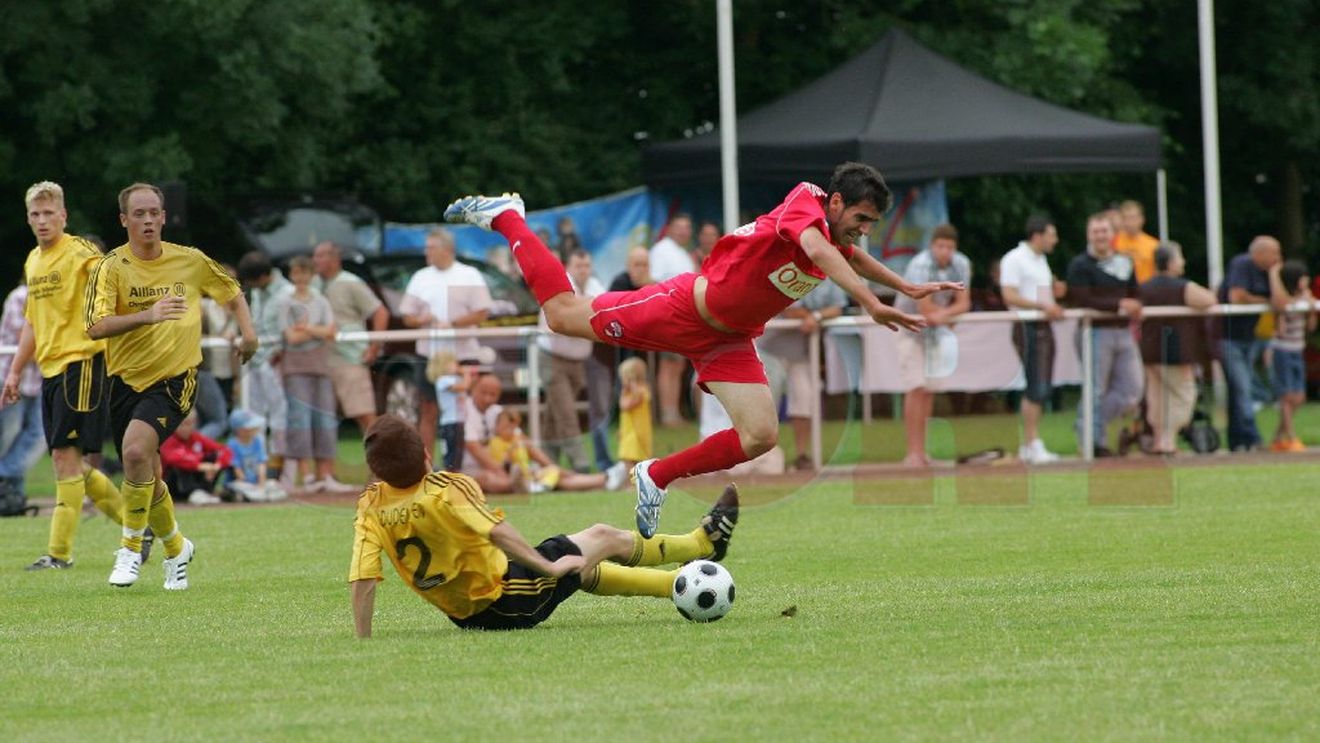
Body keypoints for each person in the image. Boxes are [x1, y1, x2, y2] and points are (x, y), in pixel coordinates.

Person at [445, 162, 958, 537]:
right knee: (560, 315)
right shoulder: (806, 201)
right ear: (837, 201)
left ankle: (656, 474)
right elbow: (823, 250)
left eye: (872, 225)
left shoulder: (835, 236)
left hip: (729, 340)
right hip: (683, 310)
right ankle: (509, 216)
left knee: (760, 436)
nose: (864, 232)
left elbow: (851, 257)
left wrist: (904, 289)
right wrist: (871, 303)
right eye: (862, 219)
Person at [349, 415, 739, 636]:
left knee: (580, 567)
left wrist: (363, 641)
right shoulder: (447, 488)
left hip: (465, 610)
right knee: (601, 537)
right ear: (425, 452)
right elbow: (496, 531)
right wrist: (548, 565)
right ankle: (703, 544)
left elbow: (363, 580)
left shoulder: (370, 503)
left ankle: (675, 582)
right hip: (507, 597)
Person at [86, 181, 258, 589]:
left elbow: (231, 293)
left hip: (175, 378)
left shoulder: (190, 260)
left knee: (133, 451)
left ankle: (130, 547)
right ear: (124, 220)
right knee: (148, 470)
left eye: (153, 213)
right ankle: (177, 547)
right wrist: (149, 314)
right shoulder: (110, 267)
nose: (147, 220)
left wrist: (248, 334)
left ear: (164, 217)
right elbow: (95, 326)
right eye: (138, 214)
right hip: (125, 380)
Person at [3, 181, 126, 571]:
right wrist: (16, 370)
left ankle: (59, 554)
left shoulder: (81, 253)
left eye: (48, 213)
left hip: (83, 363)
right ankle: (137, 529)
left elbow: (114, 280)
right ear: (28, 218)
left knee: (63, 457)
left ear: (63, 216)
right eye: (35, 215)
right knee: (72, 464)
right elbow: (31, 325)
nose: (42, 221)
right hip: (50, 370)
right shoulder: (33, 262)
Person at [400, 227, 493, 457]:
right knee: (428, 409)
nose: (426, 252)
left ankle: (463, 464)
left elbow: (482, 312)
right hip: (429, 355)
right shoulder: (420, 277)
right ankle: (425, 467)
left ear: (448, 249)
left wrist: (452, 324)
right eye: (426, 247)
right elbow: (407, 316)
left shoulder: (469, 274)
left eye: (431, 247)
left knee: (465, 409)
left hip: (463, 354)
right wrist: (422, 319)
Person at [1065, 212, 1144, 457]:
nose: (1100, 236)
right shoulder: (1080, 265)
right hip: (1096, 331)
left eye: (1104, 231)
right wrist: (1120, 304)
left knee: (1132, 391)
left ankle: (1087, 424)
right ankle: (1093, 440)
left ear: (1113, 234)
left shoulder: (1125, 262)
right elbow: (1082, 297)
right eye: (1095, 231)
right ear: (1088, 235)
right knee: (1095, 388)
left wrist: (1134, 304)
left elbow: (1136, 292)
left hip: (1123, 331)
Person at [894, 224, 972, 467]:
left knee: (928, 391)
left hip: (935, 331)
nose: (945, 251)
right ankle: (912, 452)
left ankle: (922, 452)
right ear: (932, 246)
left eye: (950, 247)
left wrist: (943, 316)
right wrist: (946, 316)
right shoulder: (920, 265)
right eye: (941, 246)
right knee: (915, 387)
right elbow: (923, 308)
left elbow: (963, 303)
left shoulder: (961, 264)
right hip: (910, 328)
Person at [756, 275, 848, 471]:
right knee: (764, 404)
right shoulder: (789, 270)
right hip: (771, 349)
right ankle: (760, 456)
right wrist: (812, 316)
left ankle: (801, 454)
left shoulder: (829, 275)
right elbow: (791, 311)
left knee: (805, 399)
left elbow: (838, 307)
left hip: (802, 352)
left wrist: (816, 317)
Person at [275, 256, 350, 493]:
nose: (301, 278)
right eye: (297, 273)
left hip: (321, 366)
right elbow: (291, 337)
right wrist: (315, 331)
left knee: (326, 419)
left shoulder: (320, 300)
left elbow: (330, 331)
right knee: (300, 419)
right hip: (295, 367)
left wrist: (306, 327)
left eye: (305, 273)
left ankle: (325, 474)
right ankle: (306, 475)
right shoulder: (285, 302)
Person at [998, 215, 1066, 464]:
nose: (1055, 240)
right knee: (1036, 384)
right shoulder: (1014, 259)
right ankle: (1030, 442)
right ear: (1037, 235)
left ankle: (1032, 442)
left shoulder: (1041, 260)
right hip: (1027, 326)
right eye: (1052, 235)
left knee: (1042, 384)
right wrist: (1042, 306)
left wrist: (1054, 298)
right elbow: (1009, 295)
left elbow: (1041, 295)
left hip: (1043, 326)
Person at [1138, 242, 1216, 455]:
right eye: (1180, 258)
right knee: (1184, 394)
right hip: (1175, 351)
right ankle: (1167, 442)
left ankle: (1158, 441)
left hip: (1150, 350)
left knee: (1157, 396)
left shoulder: (1144, 287)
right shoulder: (1182, 286)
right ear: (1171, 263)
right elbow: (1209, 300)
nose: (1183, 262)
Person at [312, 240, 388, 433]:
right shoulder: (314, 284)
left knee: (364, 414)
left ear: (334, 259)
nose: (315, 260)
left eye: (320, 256)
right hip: (322, 359)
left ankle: (382, 457)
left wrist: (374, 347)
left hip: (350, 357)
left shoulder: (351, 282)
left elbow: (380, 312)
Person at [1217, 236, 1282, 451]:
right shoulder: (1242, 264)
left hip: (1250, 338)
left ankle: (1238, 441)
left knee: (1239, 390)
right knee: (1244, 389)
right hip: (1229, 337)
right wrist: (1264, 301)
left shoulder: (1269, 271)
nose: (1278, 258)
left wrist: (1274, 275)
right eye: (1275, 253)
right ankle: (1253, 438)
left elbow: (1280, 302)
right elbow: (1236, 296)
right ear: (1260, 253)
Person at [536, 248, 595, 471]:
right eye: (578, 265)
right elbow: (559, 324)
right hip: (552, 356)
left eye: (587, 265)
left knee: (555, 413)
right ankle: (581, 465)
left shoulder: (595, 287)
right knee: (566, 412)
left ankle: (546, 463)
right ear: (569, 267)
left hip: (577, 360)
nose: (583, 270)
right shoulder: (559, 286)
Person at [236, 250, 292, 480]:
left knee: (280, 415)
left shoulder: (288, 293)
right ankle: (256, 466)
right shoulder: (258, 293)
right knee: (255, 414)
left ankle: (278, 467)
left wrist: (280, 354)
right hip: (256, 361)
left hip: (277, 361)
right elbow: (256, 322)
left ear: (261, 277)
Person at [485, 408, 619, 493]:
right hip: (519, 479)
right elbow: (501, 465)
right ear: (497, 427)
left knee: (559, 475)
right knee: (560, 476)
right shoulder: (497, 442)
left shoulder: (518, 440)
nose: (510, 431)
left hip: (531, 476)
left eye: (513, 427)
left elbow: (534, 457)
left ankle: (605, 480)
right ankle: (605, 479)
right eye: (505, 426)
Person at [649, 213, 698, 427]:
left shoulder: (683, 253)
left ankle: (674, 411)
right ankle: (667, 413)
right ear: (669, 228)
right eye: (679, 226)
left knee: (677, 366)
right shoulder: (662, 250)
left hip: (684, 315)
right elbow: (655, 282)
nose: (684, 231)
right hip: (669, 313)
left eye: (687, 227)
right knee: (669, 365)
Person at [0, 282, 46, 498]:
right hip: (10, 377)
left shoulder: (55, 296)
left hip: (37, 380)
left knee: (40, 435)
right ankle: (11, 494)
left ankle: (4, 477)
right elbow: (27, 343)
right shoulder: (20, 297)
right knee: (7, 436)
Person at [1267, 260, 1316, 452]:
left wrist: (1310, 310)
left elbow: (1310, 327)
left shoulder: (1306, 298)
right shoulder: (1283, 301)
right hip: (1283, 351)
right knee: (1287, 396)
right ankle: (1290, 437)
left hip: (1297, 349)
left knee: (1299, 397)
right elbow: (1280, 329)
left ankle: (1277, 437)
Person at [160, 411, 233, 505]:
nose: (186, 428)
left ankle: (204, 492)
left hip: (199, 477)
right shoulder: (168, 439)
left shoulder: (196, 438)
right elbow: (174, 458)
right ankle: (191, 493)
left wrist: (216, 465)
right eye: (182, 424)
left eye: (190, 424)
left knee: (213, 457)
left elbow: (224, 450)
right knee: (181, 465)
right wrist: (199, 465)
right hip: (171, 484)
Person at [425, 350, 476, 472]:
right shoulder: (443, 381)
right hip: (450, 423)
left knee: (458, 454)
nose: (457, 365)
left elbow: (468, 385)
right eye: (454, 363)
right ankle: (448, 473)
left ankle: (455, 473)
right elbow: (464, 386)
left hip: (459, 421)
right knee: (451, 453)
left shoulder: (455, 378)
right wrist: (466, 375)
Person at [226, 408, 285, 501]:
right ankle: (250, 495)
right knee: (237, 489)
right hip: (240, 482)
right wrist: (249, 485)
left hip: (256, 482)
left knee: (274, 485)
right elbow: (237, 470)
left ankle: (258, 494)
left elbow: (261, 464)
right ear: (241, 430)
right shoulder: (232, 444)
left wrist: (260, 484)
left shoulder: (258, 441)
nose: (255, 429)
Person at [616, 357, 653, 473]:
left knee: (631, 458)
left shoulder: (640, 392)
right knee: (629, 457)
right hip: (628, 431)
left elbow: (624, 406)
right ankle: (633, 482)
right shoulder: (635, 392)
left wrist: (623, 393)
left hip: (635, 433)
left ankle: (633, 482)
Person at [1115, 200, 1159, 284]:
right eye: (1125, 218)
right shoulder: (1113, 242)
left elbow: (1158, 274)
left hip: (1145, 291)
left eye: (1133, 218)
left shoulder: (1154, 245)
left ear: (1142, 219)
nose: (1129, 223)